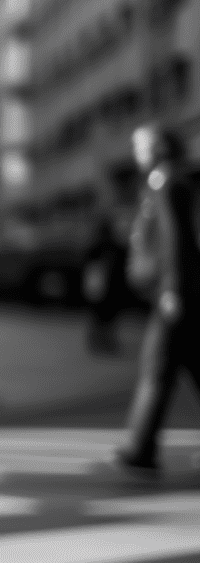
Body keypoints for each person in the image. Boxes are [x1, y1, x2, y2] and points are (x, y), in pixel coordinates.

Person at [117, 125, 200, 472]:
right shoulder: (162, 182)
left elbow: (175, 240)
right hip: (175, 292)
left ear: (160, 146)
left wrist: (172, 289)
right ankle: (141, 447)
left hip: (174, 294)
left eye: (141, 144)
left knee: (156, 366)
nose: (136, 150)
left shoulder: (166, 182)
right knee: (174, 368)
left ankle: (140, 448)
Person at [82, 214, 128, 354]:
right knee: (107, 317)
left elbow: (87, 264)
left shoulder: (96, 246)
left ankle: (98, 342)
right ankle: (105, 342)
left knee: (98, 316)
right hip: (110, 288)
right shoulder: (114, 246)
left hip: (98, 285)